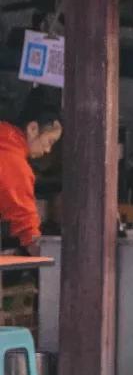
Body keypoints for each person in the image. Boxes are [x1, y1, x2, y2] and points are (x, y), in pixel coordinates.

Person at [0, 87, 62, 258]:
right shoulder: (13, 161)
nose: (48, 150)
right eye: (49, 141)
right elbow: (26, 224)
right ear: (33, 128)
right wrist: (44, 255)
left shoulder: (4, 139)